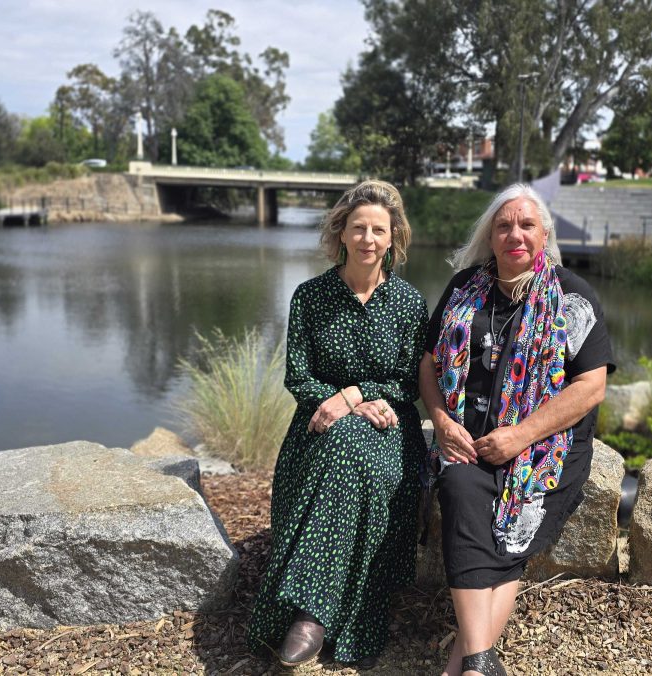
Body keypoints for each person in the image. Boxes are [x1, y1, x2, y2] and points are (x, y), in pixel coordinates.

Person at [420, 184, 614, 676]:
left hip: (543, 450)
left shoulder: (572, 296)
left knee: (511, 529)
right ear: (491, 234)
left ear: (543, 234)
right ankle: (482, 663)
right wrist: (442, 419)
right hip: (469, 441)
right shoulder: (465, 288)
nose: (515, 234)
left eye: (526, 225)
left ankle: (461, 666)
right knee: (461, 489)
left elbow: (591, 386)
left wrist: (520, 435)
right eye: (504, 225)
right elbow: (427, 363)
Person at [248, 180, 429, 668]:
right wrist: (340, 403)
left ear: (393, 239)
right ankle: (318, 612)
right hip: (318, 425)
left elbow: (409, 383)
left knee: (353, 447)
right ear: (341, 234)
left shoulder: (410, 303)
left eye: (378, 230)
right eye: (358, 228)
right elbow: (298, 377)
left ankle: (309, 616)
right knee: (344, 443)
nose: (368, 238)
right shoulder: (310, 297)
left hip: (390, 429)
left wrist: (355, 395)